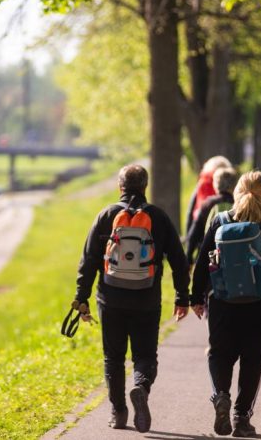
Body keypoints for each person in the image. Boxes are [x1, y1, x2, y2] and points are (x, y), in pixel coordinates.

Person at [74, 164, 190, 433]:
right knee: (146, 354)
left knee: (113, 357)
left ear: (120, 187)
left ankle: (118, 412)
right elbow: (179, 260)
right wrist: (183, 297)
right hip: (147, 298)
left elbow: (89, 260)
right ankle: (141, 385)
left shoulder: (106, 215)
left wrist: (82, 298)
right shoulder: (158, 217)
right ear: (145, 187)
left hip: (110, 299)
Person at [190, 171, 261, 438]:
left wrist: (195, 299)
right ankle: (241, 418)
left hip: (222, 303)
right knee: (252, 360)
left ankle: (221, 396)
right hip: (260, 305)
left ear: (238, 192)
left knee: (219, 354)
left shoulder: (219, 221)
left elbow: (202, 263)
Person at [186, 166, 238, 266]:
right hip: (234, 258)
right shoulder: (238, 204)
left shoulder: (208, 203)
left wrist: (188, 257)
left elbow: (194, 234)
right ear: (235, 185)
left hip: (209, 257)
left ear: (216, 184)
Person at [185, 155, 233, 236]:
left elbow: (191, 210)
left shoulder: (202, 182)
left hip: (201, 229)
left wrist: (188, 235)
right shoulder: (229, 182)